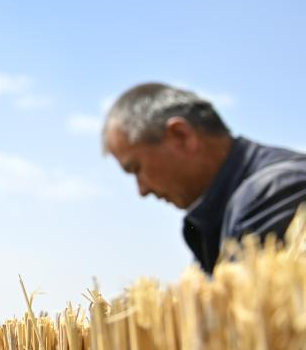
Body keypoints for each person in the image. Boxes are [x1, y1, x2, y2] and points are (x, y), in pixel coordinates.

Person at [103, 82, 306, 273]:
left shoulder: (277, 192)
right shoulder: (235, 203)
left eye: (136, 168)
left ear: (181, 136)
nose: (142, 190)